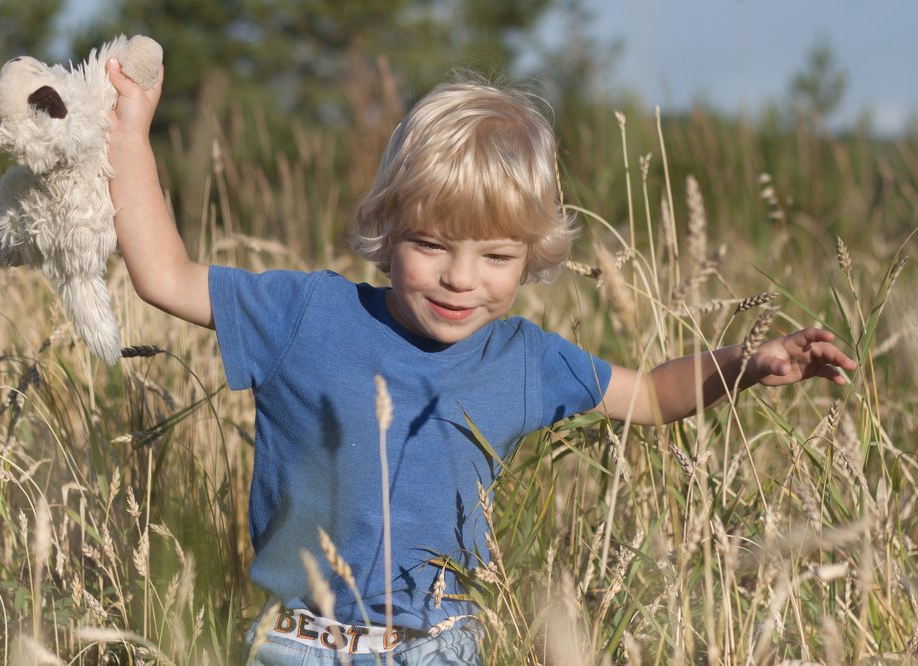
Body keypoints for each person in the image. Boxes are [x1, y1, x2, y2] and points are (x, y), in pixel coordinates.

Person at [105, 58, 857, 664]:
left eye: (496, 256)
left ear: (531, 256)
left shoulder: (525, 359)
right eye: (431, 244)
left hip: (442, 648)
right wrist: (132, 133)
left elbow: (653, 398)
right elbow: (164, 277)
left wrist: (748, 363)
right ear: (386, 225)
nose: (461, 279)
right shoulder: (305, 316)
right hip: (294, 644)